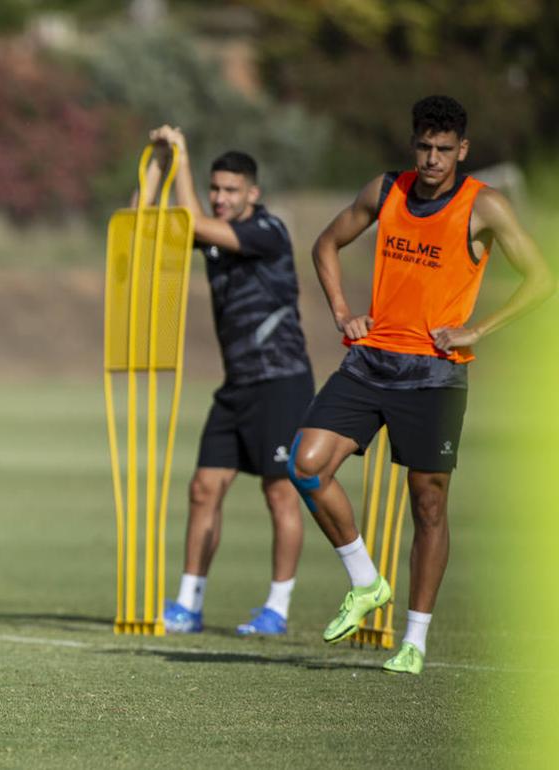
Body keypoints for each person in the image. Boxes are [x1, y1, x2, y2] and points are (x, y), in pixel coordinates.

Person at [289, 95, 554, 674]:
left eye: (443, 149)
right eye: (423, 147)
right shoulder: (386, 190)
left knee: (428, 507)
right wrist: (341, 312)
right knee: (305, 465)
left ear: (463, 150)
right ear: (414, 146)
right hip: (369, 362)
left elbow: (541, 278)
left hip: (435, 373)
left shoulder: (486, 206)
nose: (432, 159)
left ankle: (415, 640)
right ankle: (366, 581)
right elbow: (325, 245)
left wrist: (478, 328)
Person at [142, 127, 313, 636]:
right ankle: (188, 604)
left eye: (230, 190)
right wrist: (158, 161)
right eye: (214, 188)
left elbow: (190, 220)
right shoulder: (212, 234)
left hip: (282, 382)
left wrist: (182, 157)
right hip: (236, 386)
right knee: (203, 488)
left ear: (252, 194)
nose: (220, 197)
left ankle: (277, 609)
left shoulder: (268, 231)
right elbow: (156, 220)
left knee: (279, 494)